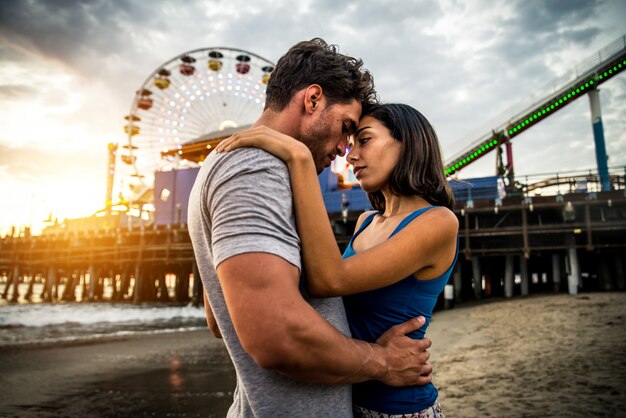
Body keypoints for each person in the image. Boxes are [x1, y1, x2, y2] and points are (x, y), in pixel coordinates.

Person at [188, 39, 433, 418]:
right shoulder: (256, 170)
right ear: (313, 99)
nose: (344, 150)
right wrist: (382, 362)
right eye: (345, 128)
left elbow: (221, 319)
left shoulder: (233, 167)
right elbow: (275, 335)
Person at [216, 102, 458, 417]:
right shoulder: (366, 222)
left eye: (365, 140)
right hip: (344, 396)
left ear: (409, 142)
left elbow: (330, 279)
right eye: (351, 143)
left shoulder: (438, 221)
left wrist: (299, 158)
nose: (351, 154)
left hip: (396, 408)